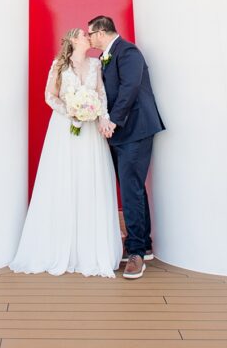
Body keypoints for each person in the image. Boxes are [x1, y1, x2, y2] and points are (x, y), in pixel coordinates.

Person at [9, 28, 123, 278]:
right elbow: (49, 95)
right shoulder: (59, 66)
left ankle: (90, 251)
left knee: (88, 180)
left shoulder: (95, 64)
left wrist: (101, 117)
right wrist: (71, 112)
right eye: (83, 34)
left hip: (91, 130)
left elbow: (101, 96)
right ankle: (59, 246)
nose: (87, 37)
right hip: (64, 129)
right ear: (73, 40)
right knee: (63, 179)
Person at [88, 15, 165, 279]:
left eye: (90, 34)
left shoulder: (128, 51)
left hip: (136, 129)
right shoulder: (104, 58)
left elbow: (130, 88)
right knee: (132, 188)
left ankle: (135, 254)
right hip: (120, 132)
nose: (88, 38)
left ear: (100, 32)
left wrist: (113, 121)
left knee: (131, 189)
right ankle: (143, 244)